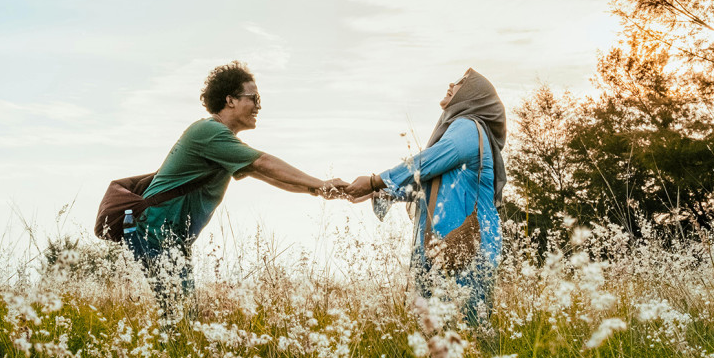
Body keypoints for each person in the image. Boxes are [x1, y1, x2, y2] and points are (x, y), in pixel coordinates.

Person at [128, 61, 347, 309]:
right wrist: (321, 183)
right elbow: (264, 162)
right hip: (155, 232)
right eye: (253, 98)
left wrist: (318, 190)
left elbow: (269, 176)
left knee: (181, 316)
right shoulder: (209, 132)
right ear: (230, 100)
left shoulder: (222, 142)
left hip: (167, 236)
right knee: (180, 316)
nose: (259, 105)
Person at [344, 68, 507, 326]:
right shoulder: (460, 129)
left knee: (465, 329)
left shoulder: (467, 127)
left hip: (465, 245)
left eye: (463, 83)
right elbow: (425, 182)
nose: (452, 83)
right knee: (441, 330)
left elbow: (427, 162)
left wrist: (377, 181)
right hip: (445, 245)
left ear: (474, 96)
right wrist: (380, 191)